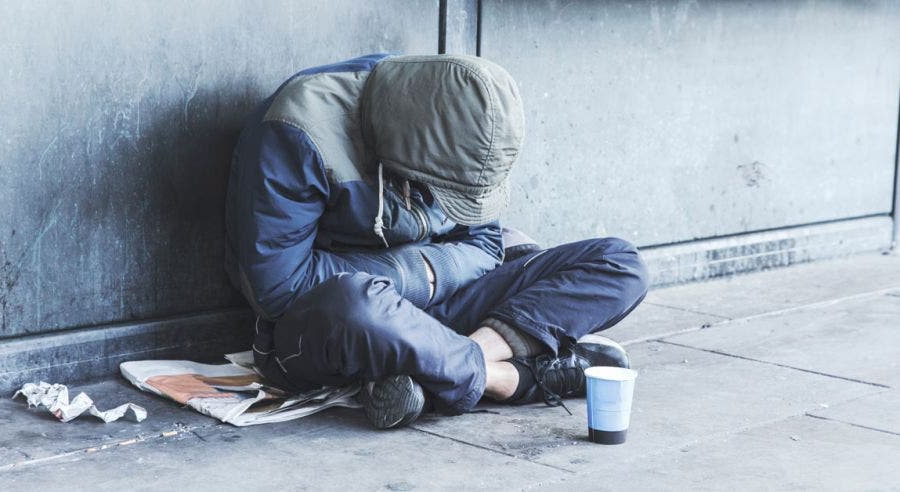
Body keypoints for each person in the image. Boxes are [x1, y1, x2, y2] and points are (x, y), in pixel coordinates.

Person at [224, 53, 649, 429]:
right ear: (408, 150)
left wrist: (435, 287)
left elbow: (485, 245)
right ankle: (514, 379)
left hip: (446, 302)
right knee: (353, 303)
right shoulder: (296, 132)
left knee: (620, 263)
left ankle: (439, 366)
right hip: (339, 325)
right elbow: (280, 289)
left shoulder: (463, 119)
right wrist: (421, 274)